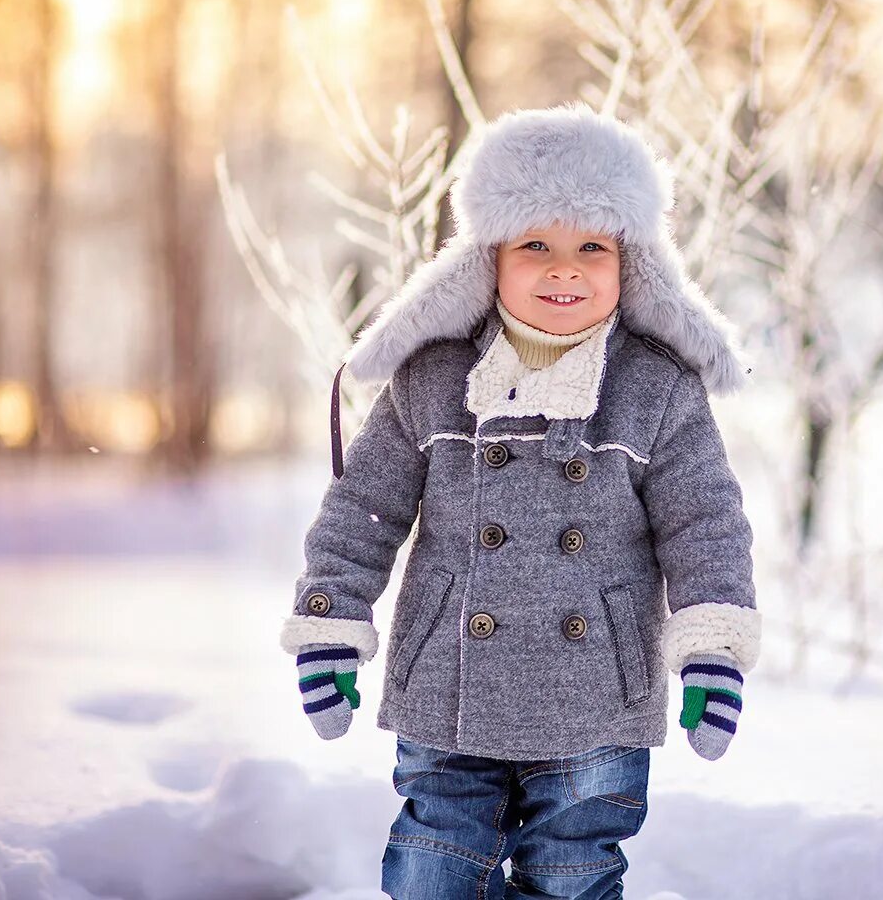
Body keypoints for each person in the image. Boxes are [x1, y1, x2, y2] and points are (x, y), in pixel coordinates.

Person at [277, 100, 763, 900]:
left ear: (632, 263)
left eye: (591, 247)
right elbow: (362, 511)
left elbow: (705, 525)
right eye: (535, 243)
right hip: (446, 692)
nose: (563, 268)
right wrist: (331, 618)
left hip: (598, 701)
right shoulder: (431, 380)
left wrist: (711, 649)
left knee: (573, 877)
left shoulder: (656, 389)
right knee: (433, 873)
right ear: (488, 258)